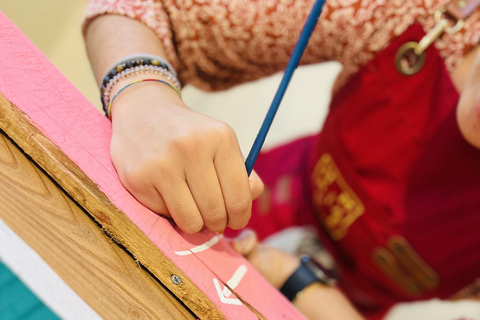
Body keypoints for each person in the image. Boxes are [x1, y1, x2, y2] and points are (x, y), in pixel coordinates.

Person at [83, 0, 480, 319]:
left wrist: (297, 284)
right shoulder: (406, 14)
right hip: (207, 217)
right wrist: (143, 94)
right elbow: (148, 9)